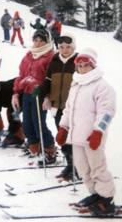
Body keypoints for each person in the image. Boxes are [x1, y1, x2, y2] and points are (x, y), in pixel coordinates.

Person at [56, 48, 116, 215]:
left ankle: (106, 199)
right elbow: (68, 109)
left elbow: (107, 112)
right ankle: (95, 194)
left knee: (97, 168)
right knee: (83, 169)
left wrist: (98, 131)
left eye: (85, 65)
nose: (82, 68)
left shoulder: (102, 86)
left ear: (92, 66)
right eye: (79, 65)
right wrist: (63, 127)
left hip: (92, 137)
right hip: (76, 137)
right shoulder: (76, 85)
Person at [12, 29, 56, 165]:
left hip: (39, 94)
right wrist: (15, 92)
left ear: (47, 41)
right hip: (26, 93)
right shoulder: (29, 55)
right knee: (26, 124)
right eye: (36, 40)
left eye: (41, 40)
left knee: (39, 124)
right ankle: (34, 147)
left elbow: (50, 79)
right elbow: (21, 75)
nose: (38, 43)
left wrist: (43, 91)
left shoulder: (50, 56)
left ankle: (49, 149)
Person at [39, 32, 78, 181]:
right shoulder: (54, 61)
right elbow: (47, 81)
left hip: (73, 108)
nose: (65, 50)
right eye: (61, 47)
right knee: (62, 137)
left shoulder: (78, 61)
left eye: (68, 47)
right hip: (57, 106)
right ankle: (70, 165)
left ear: (73, 47)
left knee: (73, 138)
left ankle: (78, 167)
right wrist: (45, 96)